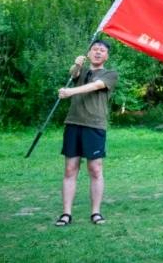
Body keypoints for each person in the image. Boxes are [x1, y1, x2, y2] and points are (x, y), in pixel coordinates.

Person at [55, 39, 119, 227]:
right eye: (95, 49)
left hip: (95, 125)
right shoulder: (81, 71)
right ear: (89, 53)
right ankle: (66, 214)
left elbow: (95, 86)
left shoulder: (110, 74)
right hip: (73, 123)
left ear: (107, 56)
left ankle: (96, 212)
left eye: (102, 50)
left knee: (95, 169)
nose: (98, 52)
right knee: (70, 169)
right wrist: (76, 64)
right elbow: (73, 73)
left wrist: (70, 92)